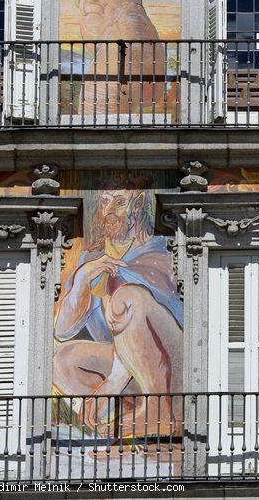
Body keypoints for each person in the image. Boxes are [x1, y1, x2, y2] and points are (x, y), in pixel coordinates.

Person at [53, 187, 183, 437]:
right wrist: (82, 279)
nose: (108, 211)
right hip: (127, 371)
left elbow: (168, 320)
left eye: (119, 202)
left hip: (170, 364)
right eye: (104, 202)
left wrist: (112, 382)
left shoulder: (159, 252)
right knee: (62, 359)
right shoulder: (93, 258)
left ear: (137, 207)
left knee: (129, 297)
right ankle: (119, 418)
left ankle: (159, 410)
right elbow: (62, 330)